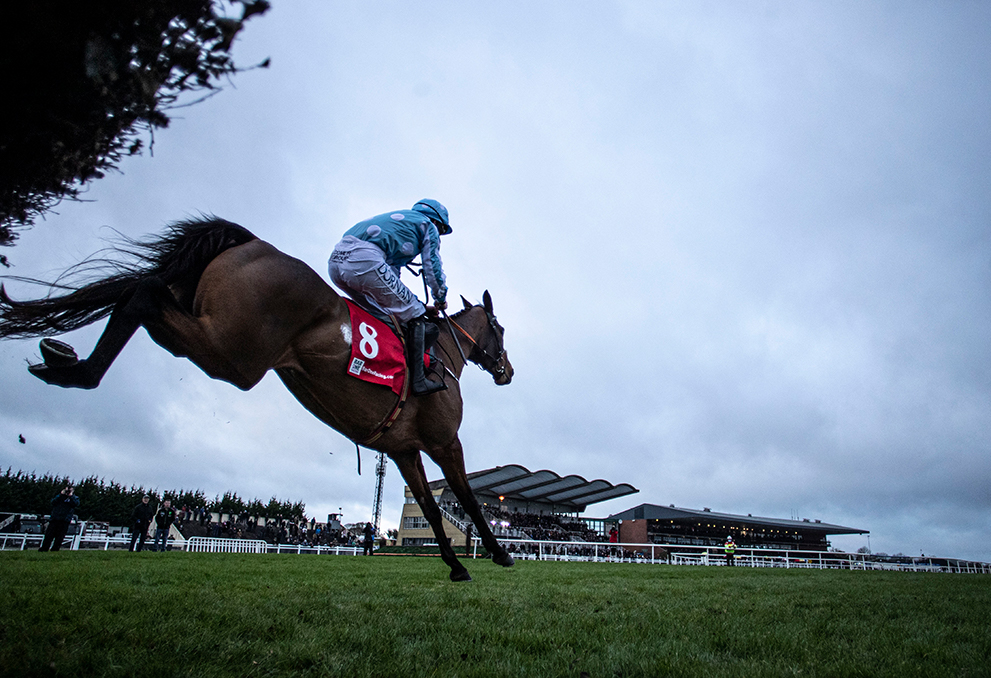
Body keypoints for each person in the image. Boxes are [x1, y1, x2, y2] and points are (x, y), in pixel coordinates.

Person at [328, 199, 452, 396]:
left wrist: (417, 304)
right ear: (438, 222)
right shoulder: (429, 226)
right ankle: (419, 381)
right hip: (364, 260)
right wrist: (440, 298)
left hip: (336, 263)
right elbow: (432, 266)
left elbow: (391, 278)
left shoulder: (401, 222)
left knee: (389, 314)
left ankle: (372, 359)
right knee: (415, 315)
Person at [39, 484, 79, 551]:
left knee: (60, 536)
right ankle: (44, 548)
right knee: (49, 535)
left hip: (65, 520)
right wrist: (61, 494)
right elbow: (53, 502)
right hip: (55, 518)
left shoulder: (74, 498)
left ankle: (55, 549)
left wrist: (71, 496)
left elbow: (76, 504)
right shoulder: (59, 497)